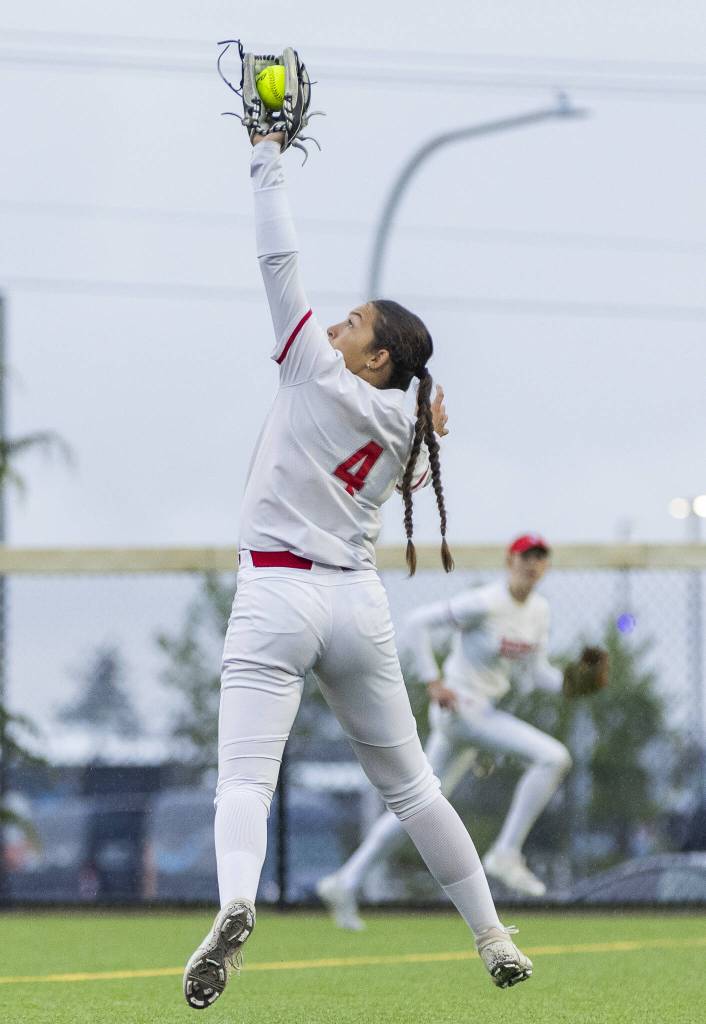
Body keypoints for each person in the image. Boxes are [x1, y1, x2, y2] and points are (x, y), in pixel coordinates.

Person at [182, 126, 532, 1008]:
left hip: (276, 592)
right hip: (355, 605)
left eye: (356, 324)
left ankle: (233, 905)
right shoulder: (407, 430)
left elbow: (277, 257)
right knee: (415, 788)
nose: (336, 321)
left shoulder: (312, 369)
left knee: (244, 781)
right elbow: (419, 457)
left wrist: (266, 155)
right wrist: (432, 430)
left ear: (376, 359)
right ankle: (491, 934)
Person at [318, 534, 571, 930]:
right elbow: (417, 623)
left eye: (540, 558)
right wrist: (432, 680)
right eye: (526, 557)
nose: (532, 565)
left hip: (479, 715)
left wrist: (572, 683)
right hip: (460, 710)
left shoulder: (539, 611)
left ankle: (345, 881)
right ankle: (505, 853)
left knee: (416, 804)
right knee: (553, 757)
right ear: (510, 561)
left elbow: (539, 675)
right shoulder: (486, 602)